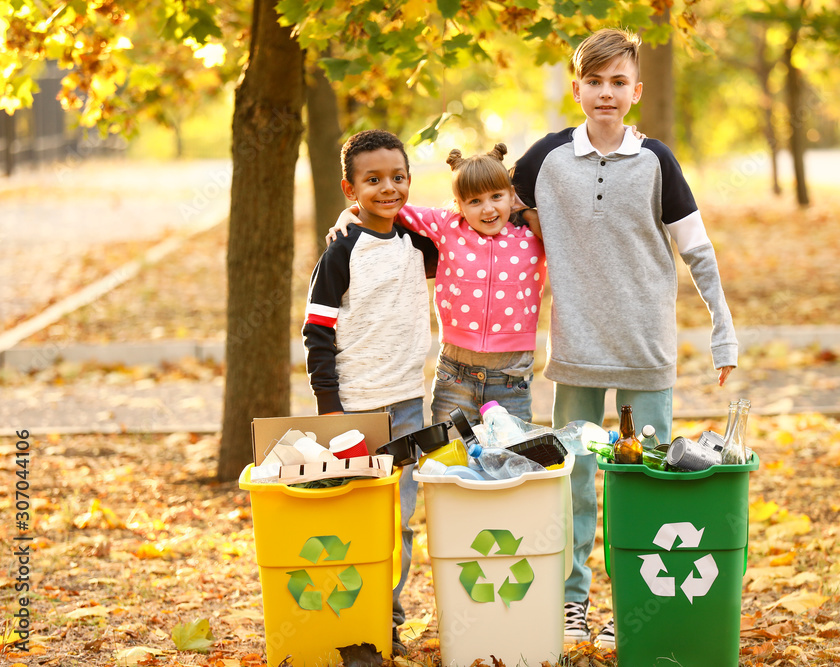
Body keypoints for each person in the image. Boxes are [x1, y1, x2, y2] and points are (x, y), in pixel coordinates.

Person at [509, 28, 738, 650]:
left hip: (645, 350)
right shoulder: (546, 158)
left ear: (635, 92)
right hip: (577, 351)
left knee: (644, 483)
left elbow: (699, 253)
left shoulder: (657, 161)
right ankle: (572, 602)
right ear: (576, 87)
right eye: (594, 81)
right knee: (575, 477)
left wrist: (724, 332)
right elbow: (485, 211)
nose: (605, 93)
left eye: (618, 83)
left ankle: (636, 600)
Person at [301, 128, 438, 657]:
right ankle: (353, 619)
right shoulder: (341, 252)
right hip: (356, 406)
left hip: (407, 403)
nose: (388, 188)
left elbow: (460, 235)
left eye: (398, 177)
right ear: (348, 189)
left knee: (398, 521)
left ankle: (389, 617)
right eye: (373, 180)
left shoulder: (414, 243)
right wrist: (328, 407)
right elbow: (317, 330)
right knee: (356, 518)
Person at [330, 143, 546, 425]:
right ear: (459, 204)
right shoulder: (448, 225)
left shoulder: (532, 235)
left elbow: (571, 232)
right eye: (475, 201)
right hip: (454, 375)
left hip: (511, 378)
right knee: (448, 462)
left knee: (510, 463)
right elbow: (392, 207)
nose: (488, 208)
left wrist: (530, 213)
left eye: (497, 196)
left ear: (512, 197)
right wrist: (353, 211)